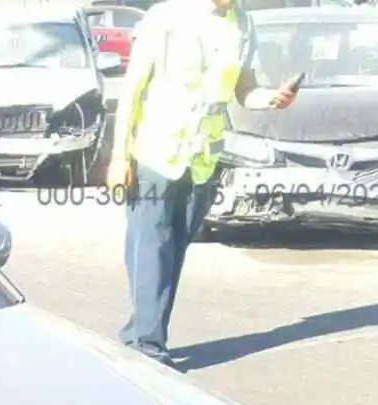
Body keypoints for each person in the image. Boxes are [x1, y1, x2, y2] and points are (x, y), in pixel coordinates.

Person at [106, 0, 299, 369]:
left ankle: (139, 332)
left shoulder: (242, 24)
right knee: (152, 245)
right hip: (154, 151)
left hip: (202, 159)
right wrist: (119, 156)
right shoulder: (164, 17)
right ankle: (149, 347)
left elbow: (245, 89)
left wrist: (272, 99)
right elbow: (132, 89)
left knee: (173, 250)